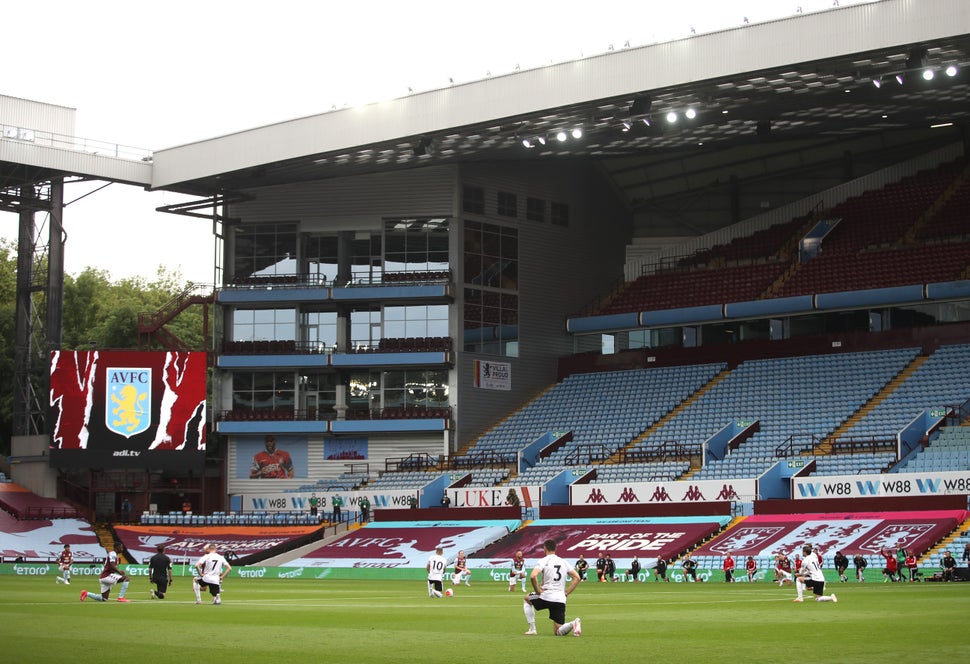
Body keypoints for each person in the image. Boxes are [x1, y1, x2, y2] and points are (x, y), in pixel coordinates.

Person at [522, 539, 582, 637]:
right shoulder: (563, 561)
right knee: (558, 632)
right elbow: (577, 578)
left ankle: (532, 629)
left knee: (527, 599)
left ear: (544, 548)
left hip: (546, 596)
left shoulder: (543, 561)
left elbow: (533, 576)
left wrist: (538, 591)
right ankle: (573, 623)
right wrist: (566, 593)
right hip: (560, 599)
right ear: (555, 549)